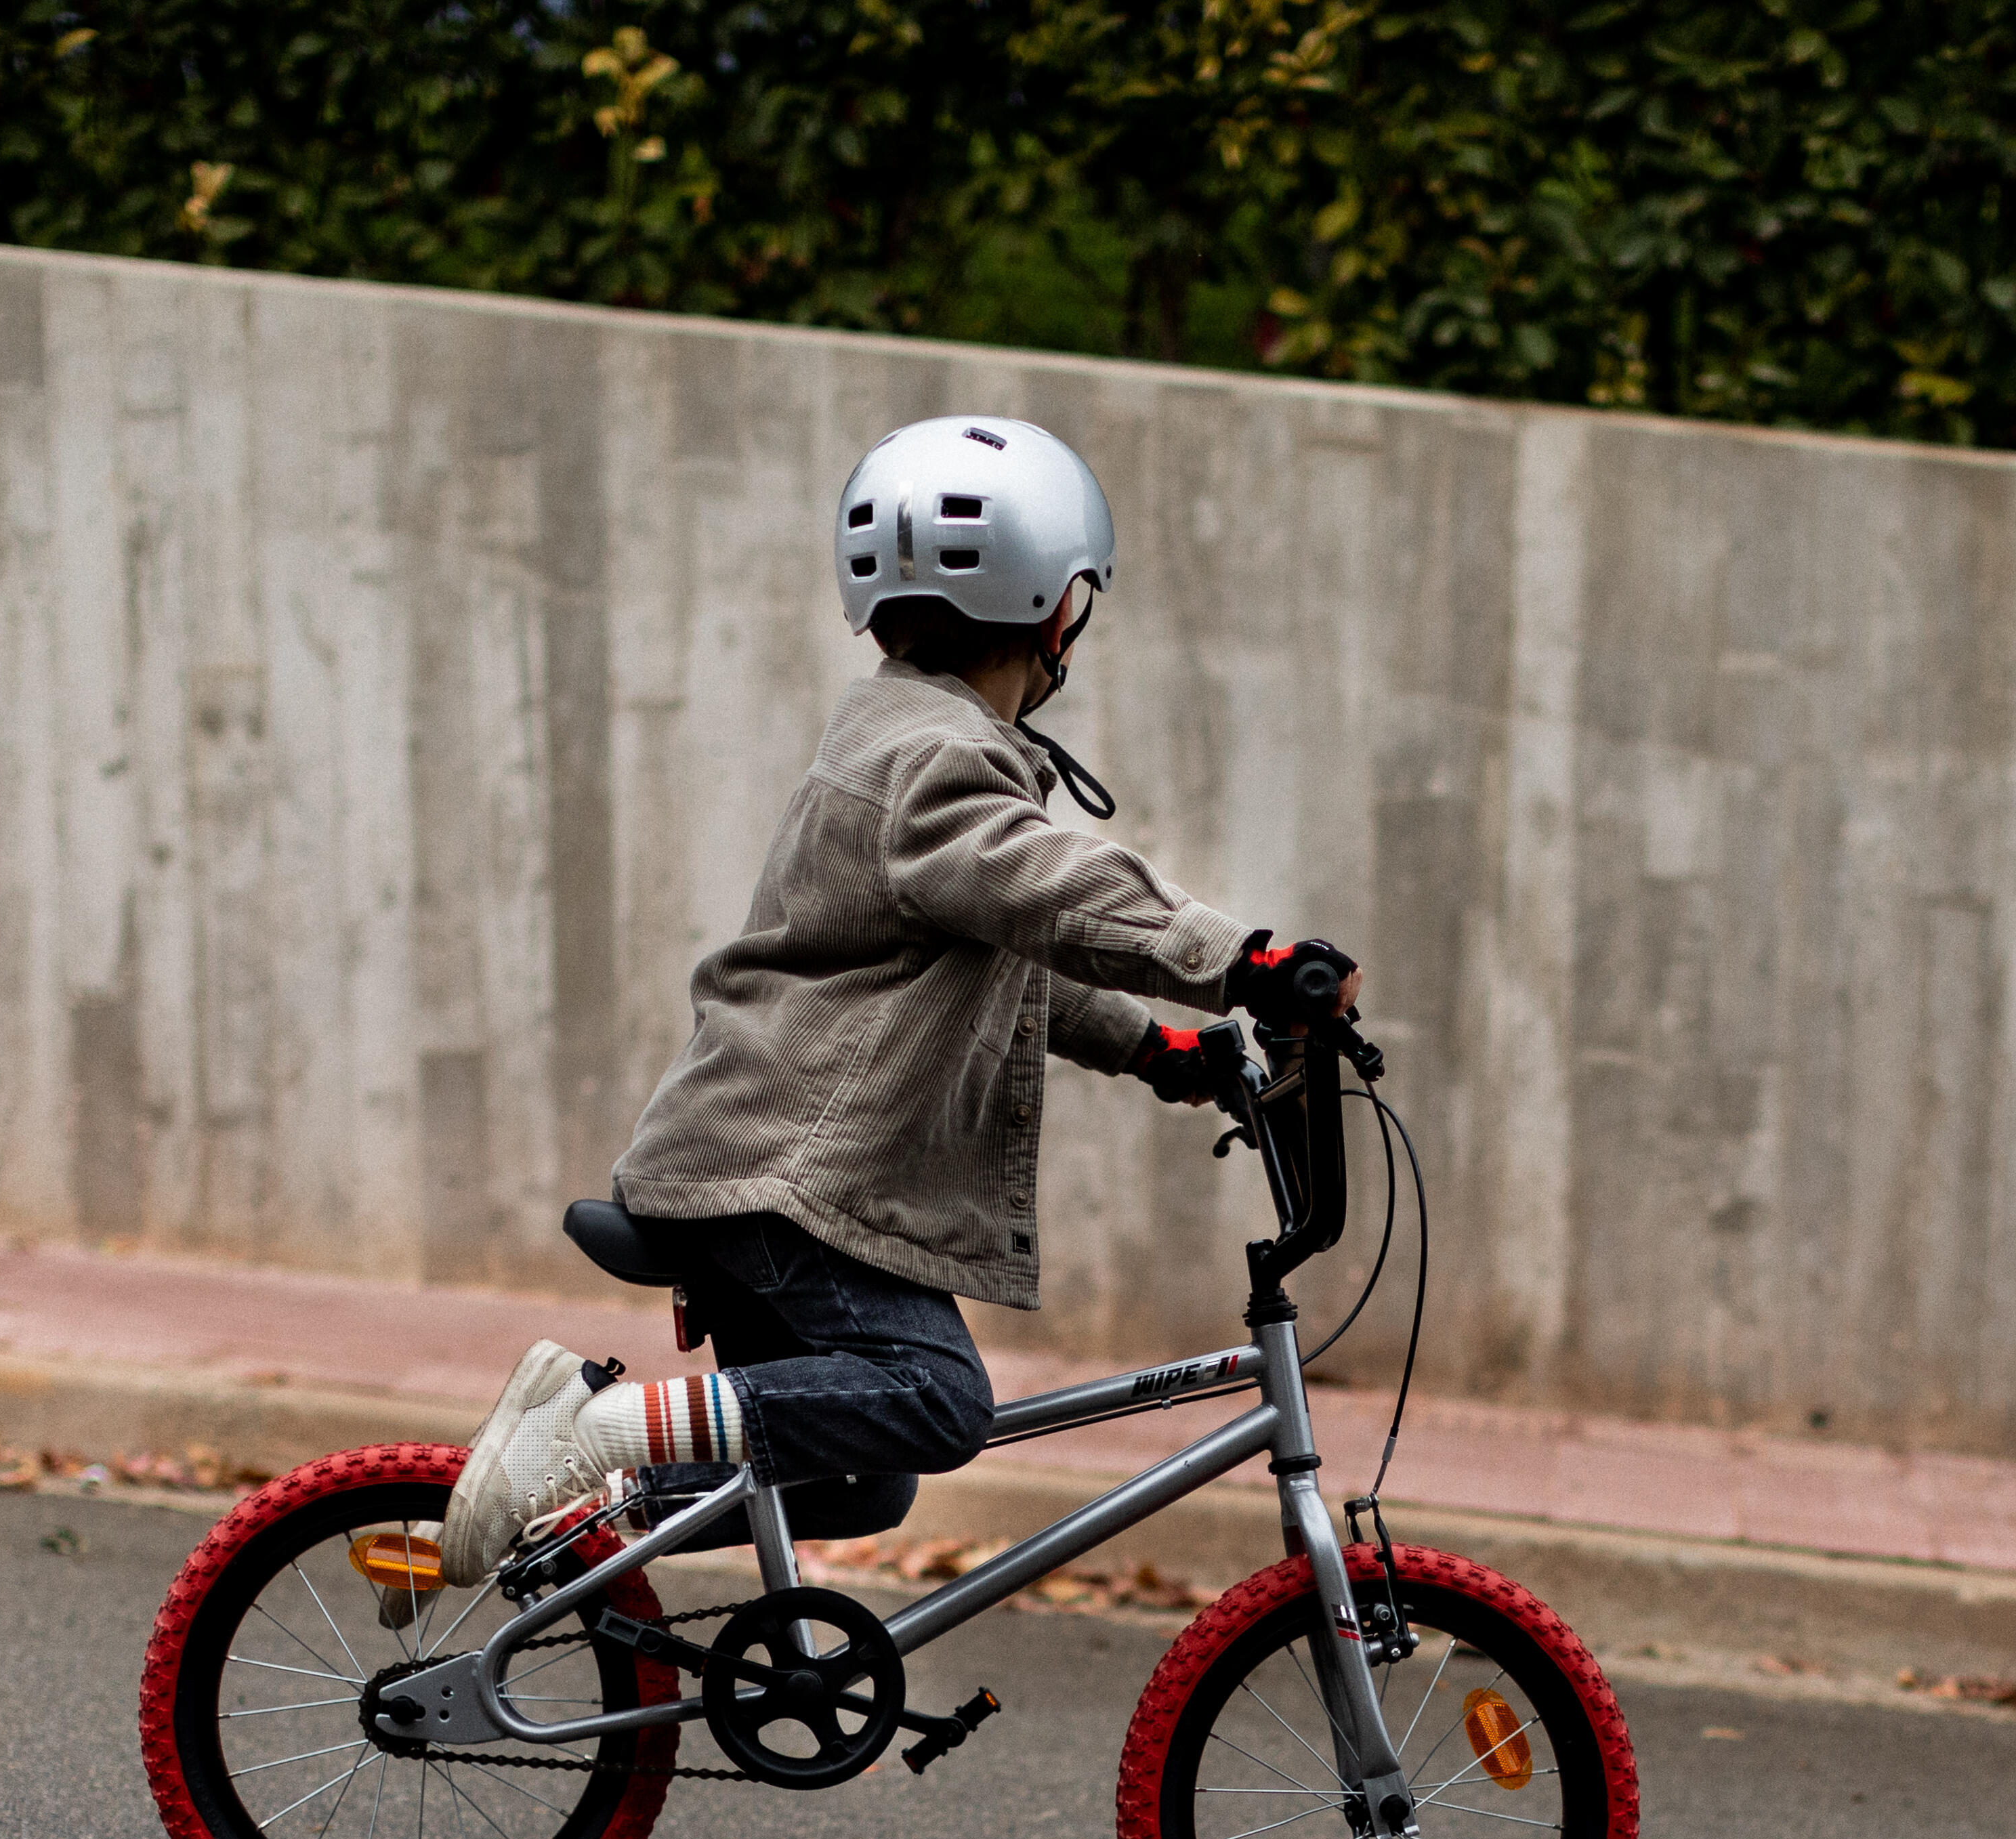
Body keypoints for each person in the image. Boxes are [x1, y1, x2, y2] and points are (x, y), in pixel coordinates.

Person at [436, 415, 1358, 1587]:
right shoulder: (936, 760)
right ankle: (589, 1427)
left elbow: (1001, 959)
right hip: (785, 1178)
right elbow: (1056, 891)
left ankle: (566, 1511)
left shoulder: (904, 741)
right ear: (1062, 604)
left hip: (770, 1166)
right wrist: (1251, 963)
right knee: (932, 1398)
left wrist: (1158, 1047)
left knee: (854, 1473)